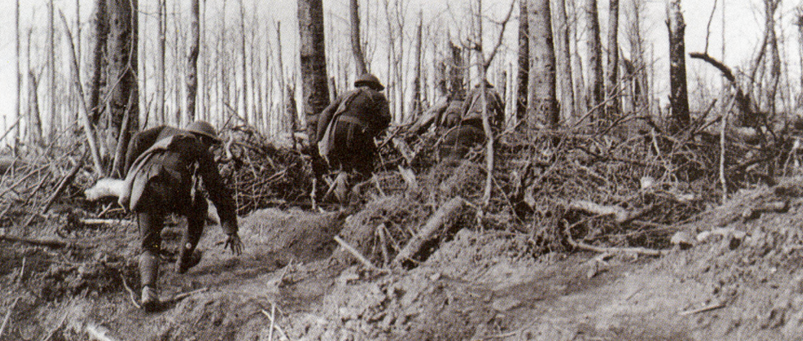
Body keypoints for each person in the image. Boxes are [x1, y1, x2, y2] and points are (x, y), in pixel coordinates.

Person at [122, 120, 243, 312]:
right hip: (170, 189)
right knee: (200, 206)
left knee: (150, 242)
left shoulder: (165, 130)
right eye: (210, 144)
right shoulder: (199, 147)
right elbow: (218, 190)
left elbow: (136, 140)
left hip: (144, 186)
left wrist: (126, 174)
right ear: (202, 138)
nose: (211, 149)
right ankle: (183, 262)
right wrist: (230, 229)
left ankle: (148, 291)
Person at [316, 73, 391, 180]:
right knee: (364, 168)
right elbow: (386, 118)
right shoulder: (378, 96)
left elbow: (326, 113)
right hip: (358, 132)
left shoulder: (345, 95)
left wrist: (319, 138)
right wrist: (372, 132)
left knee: (343, 166)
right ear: (374, 86)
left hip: (336, 132)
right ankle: (361, 190)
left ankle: (341, 190)